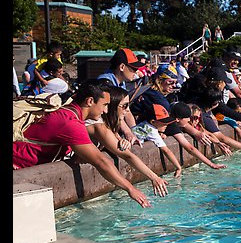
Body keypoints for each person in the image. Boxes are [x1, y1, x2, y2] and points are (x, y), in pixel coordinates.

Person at [13, 79, 151, 208]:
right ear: (90, 101)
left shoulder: (67, 112)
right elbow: (101, 162)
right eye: (105, 105)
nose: (106, 111)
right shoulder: (70, 123)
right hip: (18, 167)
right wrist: (130, 189)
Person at [85, 85, 170, 197]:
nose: (128, 110)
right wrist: (154, 178)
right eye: (124, 106)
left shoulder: (108, 122)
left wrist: (121, 139)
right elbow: (127, 156)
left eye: (129, 105)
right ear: (112, 106)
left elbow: (112, 134)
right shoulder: (98, 126)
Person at [96, 48, 145, 145]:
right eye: (134, 68)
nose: (136, 72)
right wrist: (128, 133)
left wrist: (135, 133)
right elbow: (113, 111)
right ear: (122, 67)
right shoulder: (105, 82)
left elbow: (126, 110)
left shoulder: (121, 82)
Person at [196, 86, 241, 159]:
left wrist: (218, 144)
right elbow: (222, 138)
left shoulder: (197, 106)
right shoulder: (204, 116)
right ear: (215, 103)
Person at [168, 101, 227, 169]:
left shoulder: (182, 124)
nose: (189, 120)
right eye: (187, 117)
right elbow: (190, 148)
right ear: (177, 119)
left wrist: (218, 143)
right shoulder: (172, 126)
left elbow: (200, 134)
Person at [131, 103, 182, 178]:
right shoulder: (152, 131)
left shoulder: (144, 125)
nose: (167, 125)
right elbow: (166, 150)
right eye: (164, 122)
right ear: (153, 121)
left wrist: (159, 134)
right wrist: (178, 167)